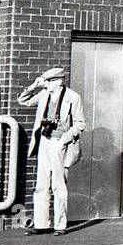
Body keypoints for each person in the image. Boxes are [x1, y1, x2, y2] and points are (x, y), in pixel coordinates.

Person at [17, 67, 86, 235]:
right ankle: (41, 224)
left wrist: (64, 139)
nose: (44, 84)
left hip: (59, 142)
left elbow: (80, 123)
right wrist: (33, 86)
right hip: (44, 141)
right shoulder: (43, 95)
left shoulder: (72, 97)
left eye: (47, 81)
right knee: (41, 185)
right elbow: (23, 100)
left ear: (58, 81)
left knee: (58, 185)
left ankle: (60, 225)